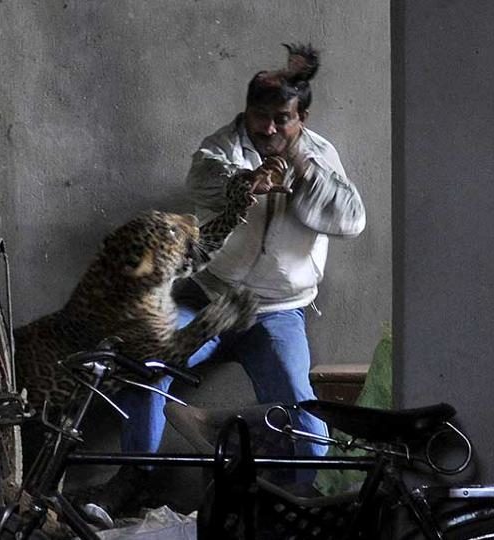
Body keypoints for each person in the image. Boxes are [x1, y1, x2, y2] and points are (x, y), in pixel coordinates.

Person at [86, 43, 366, 519]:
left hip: (278, 312)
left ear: (303, 119)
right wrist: (249, 180)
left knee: (307, 420)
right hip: (210, 296)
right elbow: (205, 180)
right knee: (146, 360)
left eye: (283, 119)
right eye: (261, 116)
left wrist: (299, 163)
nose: (270, 128)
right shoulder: (220, 147)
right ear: (246, 111)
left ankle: (298, 507)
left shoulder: (320, 156)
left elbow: (350, 219)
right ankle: (136, 477)